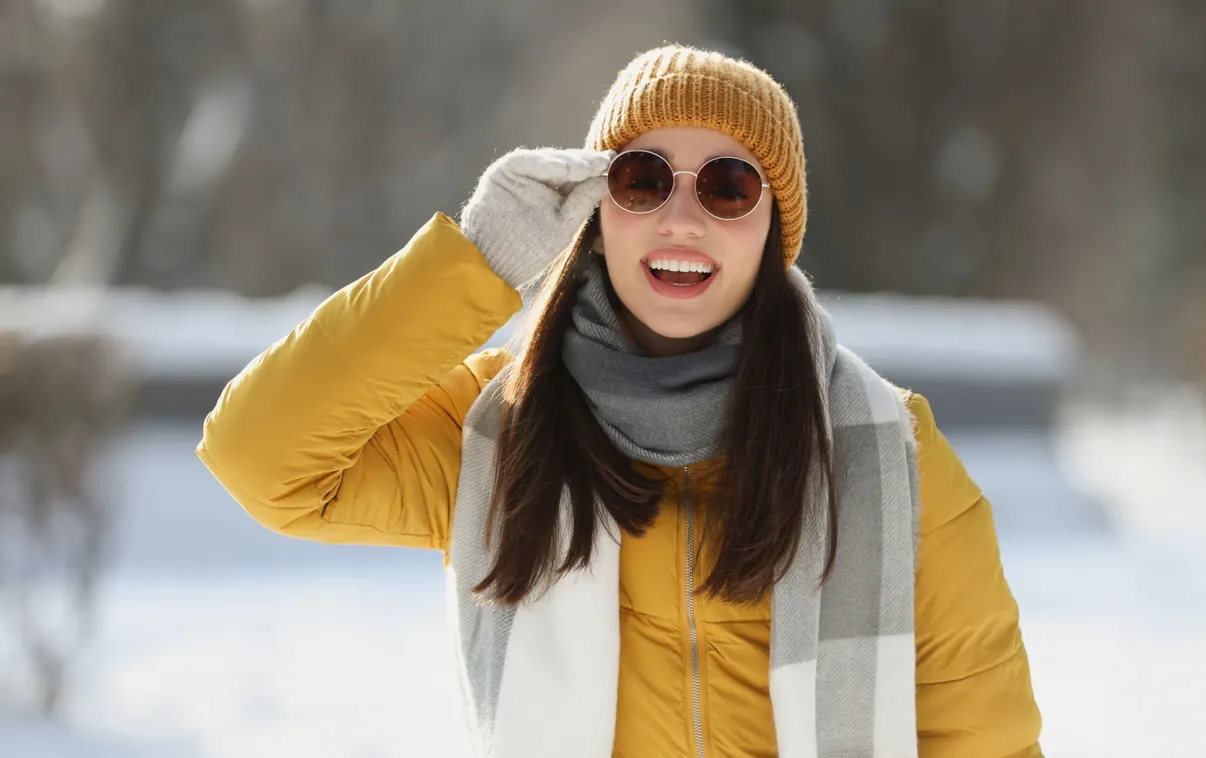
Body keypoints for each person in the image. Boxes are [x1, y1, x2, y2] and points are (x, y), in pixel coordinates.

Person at [198, 45, 1043, 758]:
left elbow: (983, 739)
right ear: (597, 211)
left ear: (773, 227)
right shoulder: (493, 431)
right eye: (641, 179)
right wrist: (476, 264)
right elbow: (261, 458)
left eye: (727, 187)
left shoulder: (891, 453)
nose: (682, 216)